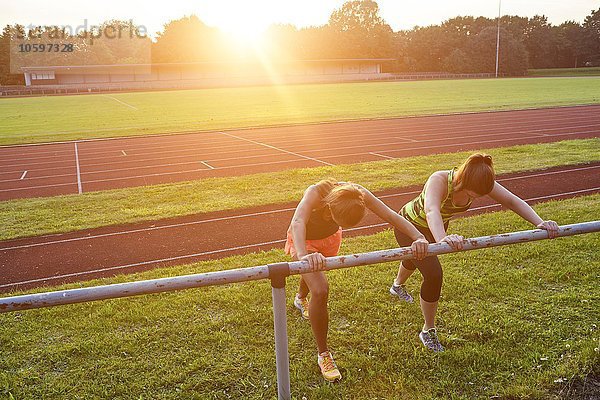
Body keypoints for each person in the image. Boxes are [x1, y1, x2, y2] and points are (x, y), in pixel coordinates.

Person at [389, 153, 559, 352]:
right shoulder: (439, 180)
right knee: (433, 273)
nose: (474, 199)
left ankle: (397, 286)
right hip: (408, 226)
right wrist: (443, 239)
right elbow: (431, 211)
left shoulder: (481, 181)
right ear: (462, 180)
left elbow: (511, 201)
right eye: (471, 196)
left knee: (415, 259)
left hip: (434, 227)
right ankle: (428, 330)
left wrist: (539, 222)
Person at [285, 179, 429, 382]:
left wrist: (419, 237)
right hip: (304, 239)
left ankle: (300, 298)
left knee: (314, 275)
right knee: (320, 289)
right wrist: (303, 255)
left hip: (329, 238)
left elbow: (390, 215)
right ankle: (324, 355)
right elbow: (298, 221)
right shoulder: (315, 193)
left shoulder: (358, 194)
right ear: (329, 208)